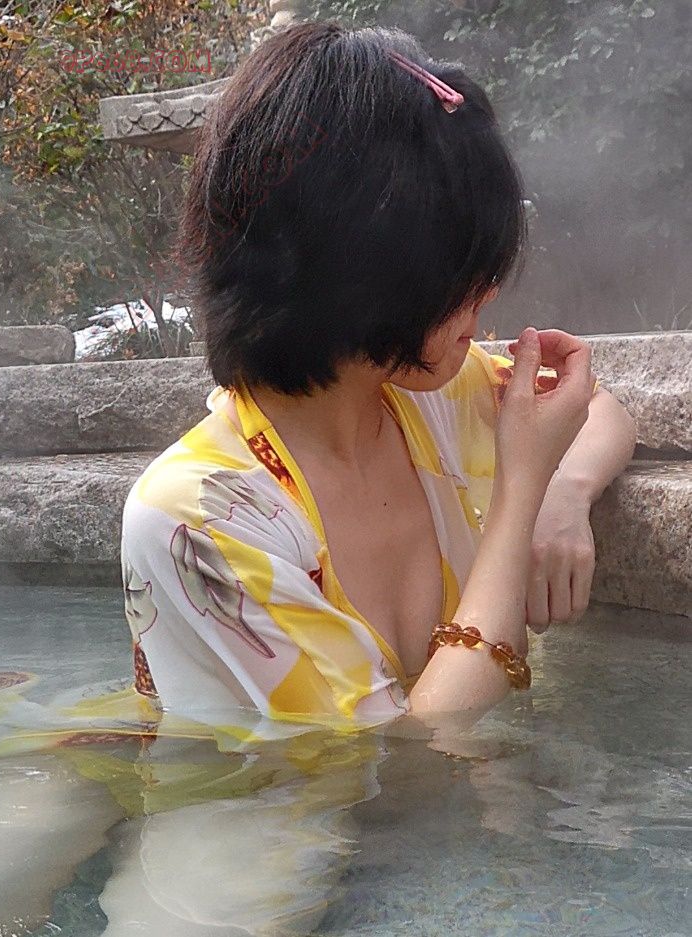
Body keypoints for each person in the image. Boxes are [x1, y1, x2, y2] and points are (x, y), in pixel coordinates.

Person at [121, 21, 637, 730]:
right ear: (366, 273)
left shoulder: (427, 393)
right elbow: (407, 762)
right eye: (461, 270)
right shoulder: (197, 519)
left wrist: (564, 493)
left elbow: (599, 409)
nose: (489, 292)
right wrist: (521, 493)